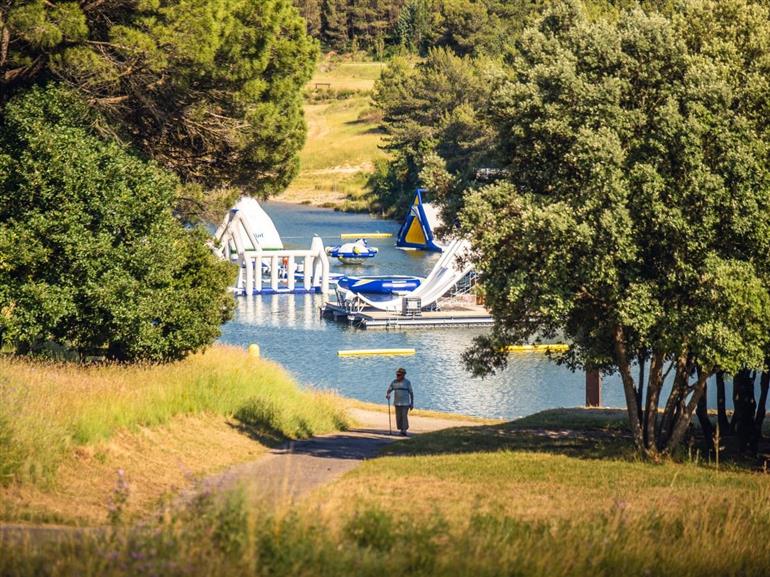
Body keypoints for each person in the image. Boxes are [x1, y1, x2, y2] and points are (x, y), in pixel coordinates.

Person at [386, 367, 414, 435]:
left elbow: (411, 393)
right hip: (397, 403)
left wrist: (412, 403)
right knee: (398, 417)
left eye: (399, 375)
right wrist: (388, 394)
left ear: (403, 375)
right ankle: (401, 430)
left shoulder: (407, 382)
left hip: (405, 403)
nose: (397, 376)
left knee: (404, 416)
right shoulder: (394, 382)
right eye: (397, 374)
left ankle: (404, 430)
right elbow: (389, 390)